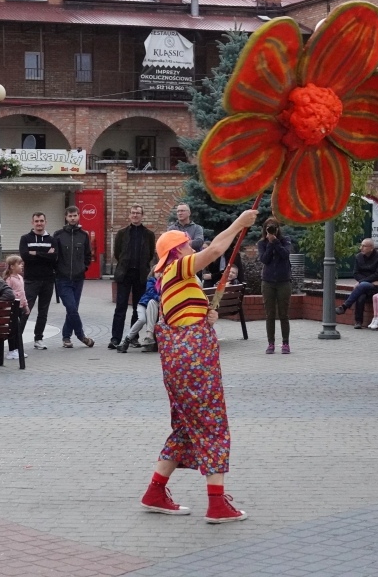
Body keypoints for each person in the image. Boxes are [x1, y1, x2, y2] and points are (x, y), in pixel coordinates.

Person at [139, 208, 257, 524]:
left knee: (186, 429)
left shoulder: (174, 277)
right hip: (194, 360)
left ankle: (155, 491)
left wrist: (206, 314)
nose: (194, 248)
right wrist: (238, 222)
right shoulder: (177, 267)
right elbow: (217, 249)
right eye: (189, 245)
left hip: (178, 363)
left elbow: (184, 313)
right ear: (176, 250)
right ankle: (216, 503)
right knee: (212, 423)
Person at [110, 204, 156, 350]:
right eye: (133, 213)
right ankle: (115, 338)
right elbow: (118, 253)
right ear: (129, 215)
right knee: (120, 307)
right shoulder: (122, 233)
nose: (135, 215)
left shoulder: (149, 234)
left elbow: (150, 254)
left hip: (141, 275)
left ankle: (133, 337)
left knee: (138, 308)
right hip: (124, 274)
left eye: (138, 213)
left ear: (142, 216)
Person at [52, 206, 93, 348]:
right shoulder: (58, 235)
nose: (73, 218)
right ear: (66, 217)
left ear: (78, 216)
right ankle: (81, 336)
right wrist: (57, 270)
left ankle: (66, 337)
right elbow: (53, 255)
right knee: (71, 307)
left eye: (75, 215)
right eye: (70, 216)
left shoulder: (84, 235)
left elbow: (88, 255)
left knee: (73, 308)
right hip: (62, 278)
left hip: (78, 278)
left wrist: (84, 268)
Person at [19, 212, 56, 350]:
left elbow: (54, 258)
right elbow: (25, 256)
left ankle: (38, 339)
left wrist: (35, 253)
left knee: (43, 311)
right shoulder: (25, 238)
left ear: (45, 222)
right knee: (26, 310)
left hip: (48, 280)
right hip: (31, 280)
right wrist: (46, 254)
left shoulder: (52, 239)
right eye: (36, 221)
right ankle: (17, 338)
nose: (39, 223)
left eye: (41, 221)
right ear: (32, 222)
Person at [257, 217, 293, 354]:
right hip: (268, 282)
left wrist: (276, 242)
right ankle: (270, 343)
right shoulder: (262, 243)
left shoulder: (285, 240)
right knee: (270, 314)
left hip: (284, 281)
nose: (272, 231)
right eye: (269, 228)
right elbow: (264, 259)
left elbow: (285, 254)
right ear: (265, 229)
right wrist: (270, 243)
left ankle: (285, 343)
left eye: (274, 228)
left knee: (284, 314)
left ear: (278, 229)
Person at [335, 238, 378, 328]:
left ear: (371, 248)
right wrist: (364, 281)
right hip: (367, 284)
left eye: (364, 246)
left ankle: (345, 306)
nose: (361, 248)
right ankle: (358, 322)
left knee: (362, 285)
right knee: (361, 296)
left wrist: (362, 282)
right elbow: (355, 273)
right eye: (361, 245)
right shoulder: (358, 257)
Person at [117, 270, 157, 353]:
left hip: (153, 307)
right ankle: (126, 339)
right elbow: (151, 293)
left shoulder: (164, 281)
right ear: (153, 273)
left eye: (161, 271)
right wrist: (160, 298)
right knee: (142, 319)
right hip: (143, 304)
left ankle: (150, 341)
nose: (160, 273)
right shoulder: (151, 281)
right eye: (157, 272)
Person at [2, 254, 29, 358]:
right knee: (13, 329)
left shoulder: (20, 278)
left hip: (21, 306)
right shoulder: (9, 279)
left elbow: (23, 293)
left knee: (18, 329)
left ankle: (17, 349)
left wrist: (26, 305)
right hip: (13, 307)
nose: (22, 266)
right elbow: (7, 293)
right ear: (12, 266)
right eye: (19, 264)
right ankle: (12, 350)